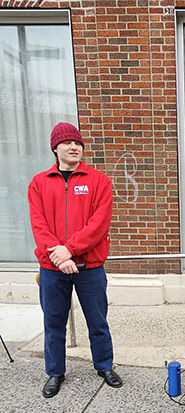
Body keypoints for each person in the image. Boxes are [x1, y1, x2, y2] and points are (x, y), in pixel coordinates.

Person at [27, 122, 123, 397]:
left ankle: (104, 366)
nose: (74, 147)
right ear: (55, 148)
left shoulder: (99, 181)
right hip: (52, 268)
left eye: (78, 143)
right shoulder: (39, 183)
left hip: (89, 267)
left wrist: (69, 250)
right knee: (54, 323)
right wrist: (59, 258)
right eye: (67, 143)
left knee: (98, 321)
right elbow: (39, 226)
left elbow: (99, 224)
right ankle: (55, 372)